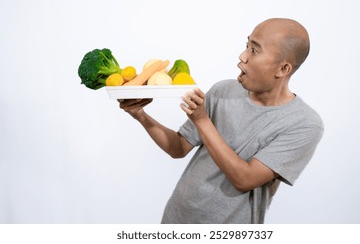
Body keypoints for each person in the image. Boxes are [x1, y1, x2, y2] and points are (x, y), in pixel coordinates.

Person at [118, 18, 324, 223]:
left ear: (283, 69)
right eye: (247, 45)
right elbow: (178, 148)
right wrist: (140, 115)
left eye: (254, 50)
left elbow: (244, 179)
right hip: (177, 218)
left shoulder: (303, 123)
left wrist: (201, 119)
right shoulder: (222, 90)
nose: (242, 56)